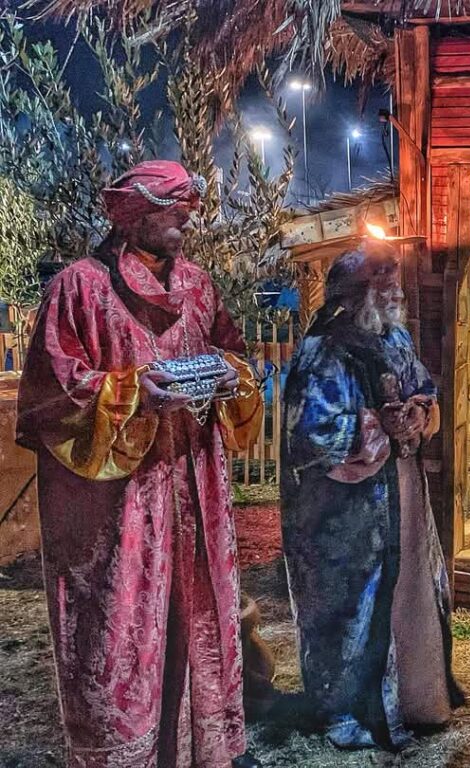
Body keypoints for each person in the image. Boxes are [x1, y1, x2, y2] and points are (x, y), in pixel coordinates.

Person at [16, 160, 264, 768]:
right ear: (134, 215)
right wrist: (129, 392)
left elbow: (232, 354)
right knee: (117, 632)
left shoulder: (198, 287)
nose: (187, 222)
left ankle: (195, 752)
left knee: (194, 617)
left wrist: (229, 377)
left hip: (194, 487)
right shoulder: (79, 288)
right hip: (117, 505)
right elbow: (50, 393)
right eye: (173, 212)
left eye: (188, 212)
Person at [281, 240, 463, 750]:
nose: (393, 290)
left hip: (400, 493)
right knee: (347, 607)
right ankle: (345, 711)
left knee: (407, 591)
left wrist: (419, 412)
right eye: (381, 281)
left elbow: (424, 387)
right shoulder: (323, 350)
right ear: (355, 291)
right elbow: (310, 434)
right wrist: (376, 425)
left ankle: (414, 698)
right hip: (343, 510)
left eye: (393, 280)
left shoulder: (395, 337)